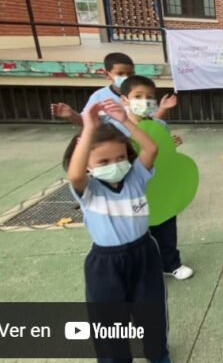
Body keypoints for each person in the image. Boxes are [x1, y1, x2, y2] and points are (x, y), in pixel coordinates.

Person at [50, 54, 193, 281]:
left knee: (165, 226)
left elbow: (156, 148)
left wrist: (169, 144)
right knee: (136, 228)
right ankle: (144, 268)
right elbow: (96, 139)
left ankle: (170, 263)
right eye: (138, 96)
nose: (145, 101)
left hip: (156, 185)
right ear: (124, 99)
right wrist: (77, 119)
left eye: (149, 97)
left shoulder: (158, 124)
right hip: (128, 190)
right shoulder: (114, 126)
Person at [63, 101, 170, 363]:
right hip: (106, 264)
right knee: (109, 319)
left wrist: (125, 120)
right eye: (104, 161)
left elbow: (151, 148)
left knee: (152, 311)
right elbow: (75, 174)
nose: (115, 164)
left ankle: (158, 354)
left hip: (144, 253)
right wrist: (88, 129)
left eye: (121, 157)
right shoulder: (89, 190)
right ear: (88, 164)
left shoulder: (136, 177)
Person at [50, 53, 177, 127]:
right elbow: (87, 122)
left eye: (130, 73)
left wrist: (162, 109)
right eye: (120, 73)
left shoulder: (143, 95)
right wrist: (71, 115)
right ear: (107, 74)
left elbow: (151, 122)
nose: (126, 77)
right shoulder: (99, 97)